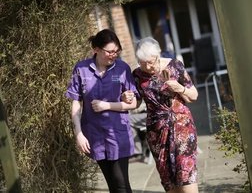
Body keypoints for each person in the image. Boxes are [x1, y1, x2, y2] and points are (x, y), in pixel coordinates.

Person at [65, 29, 139, 193]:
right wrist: (78, 133)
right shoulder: (81, 69)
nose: (114, 55)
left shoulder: (122, 68)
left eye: (116, 51)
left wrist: (122, 98)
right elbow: (76, 102)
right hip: (94, 135)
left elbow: (134, 102)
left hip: (118, 133)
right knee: (112, 185)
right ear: (96, 49)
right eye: (110, 51)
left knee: (121, 184)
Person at [123, 37, 199, 193]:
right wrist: (127, 97)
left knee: (185, 173)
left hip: (181, 126)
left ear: (158, 55)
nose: (149, 67)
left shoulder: (174, 66)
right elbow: (136, 102)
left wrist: (179, 88)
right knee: (168, 179)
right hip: (156, 132)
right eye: (143, 64)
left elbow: (194, 95)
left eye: (151, 62)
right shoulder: (137, 75)